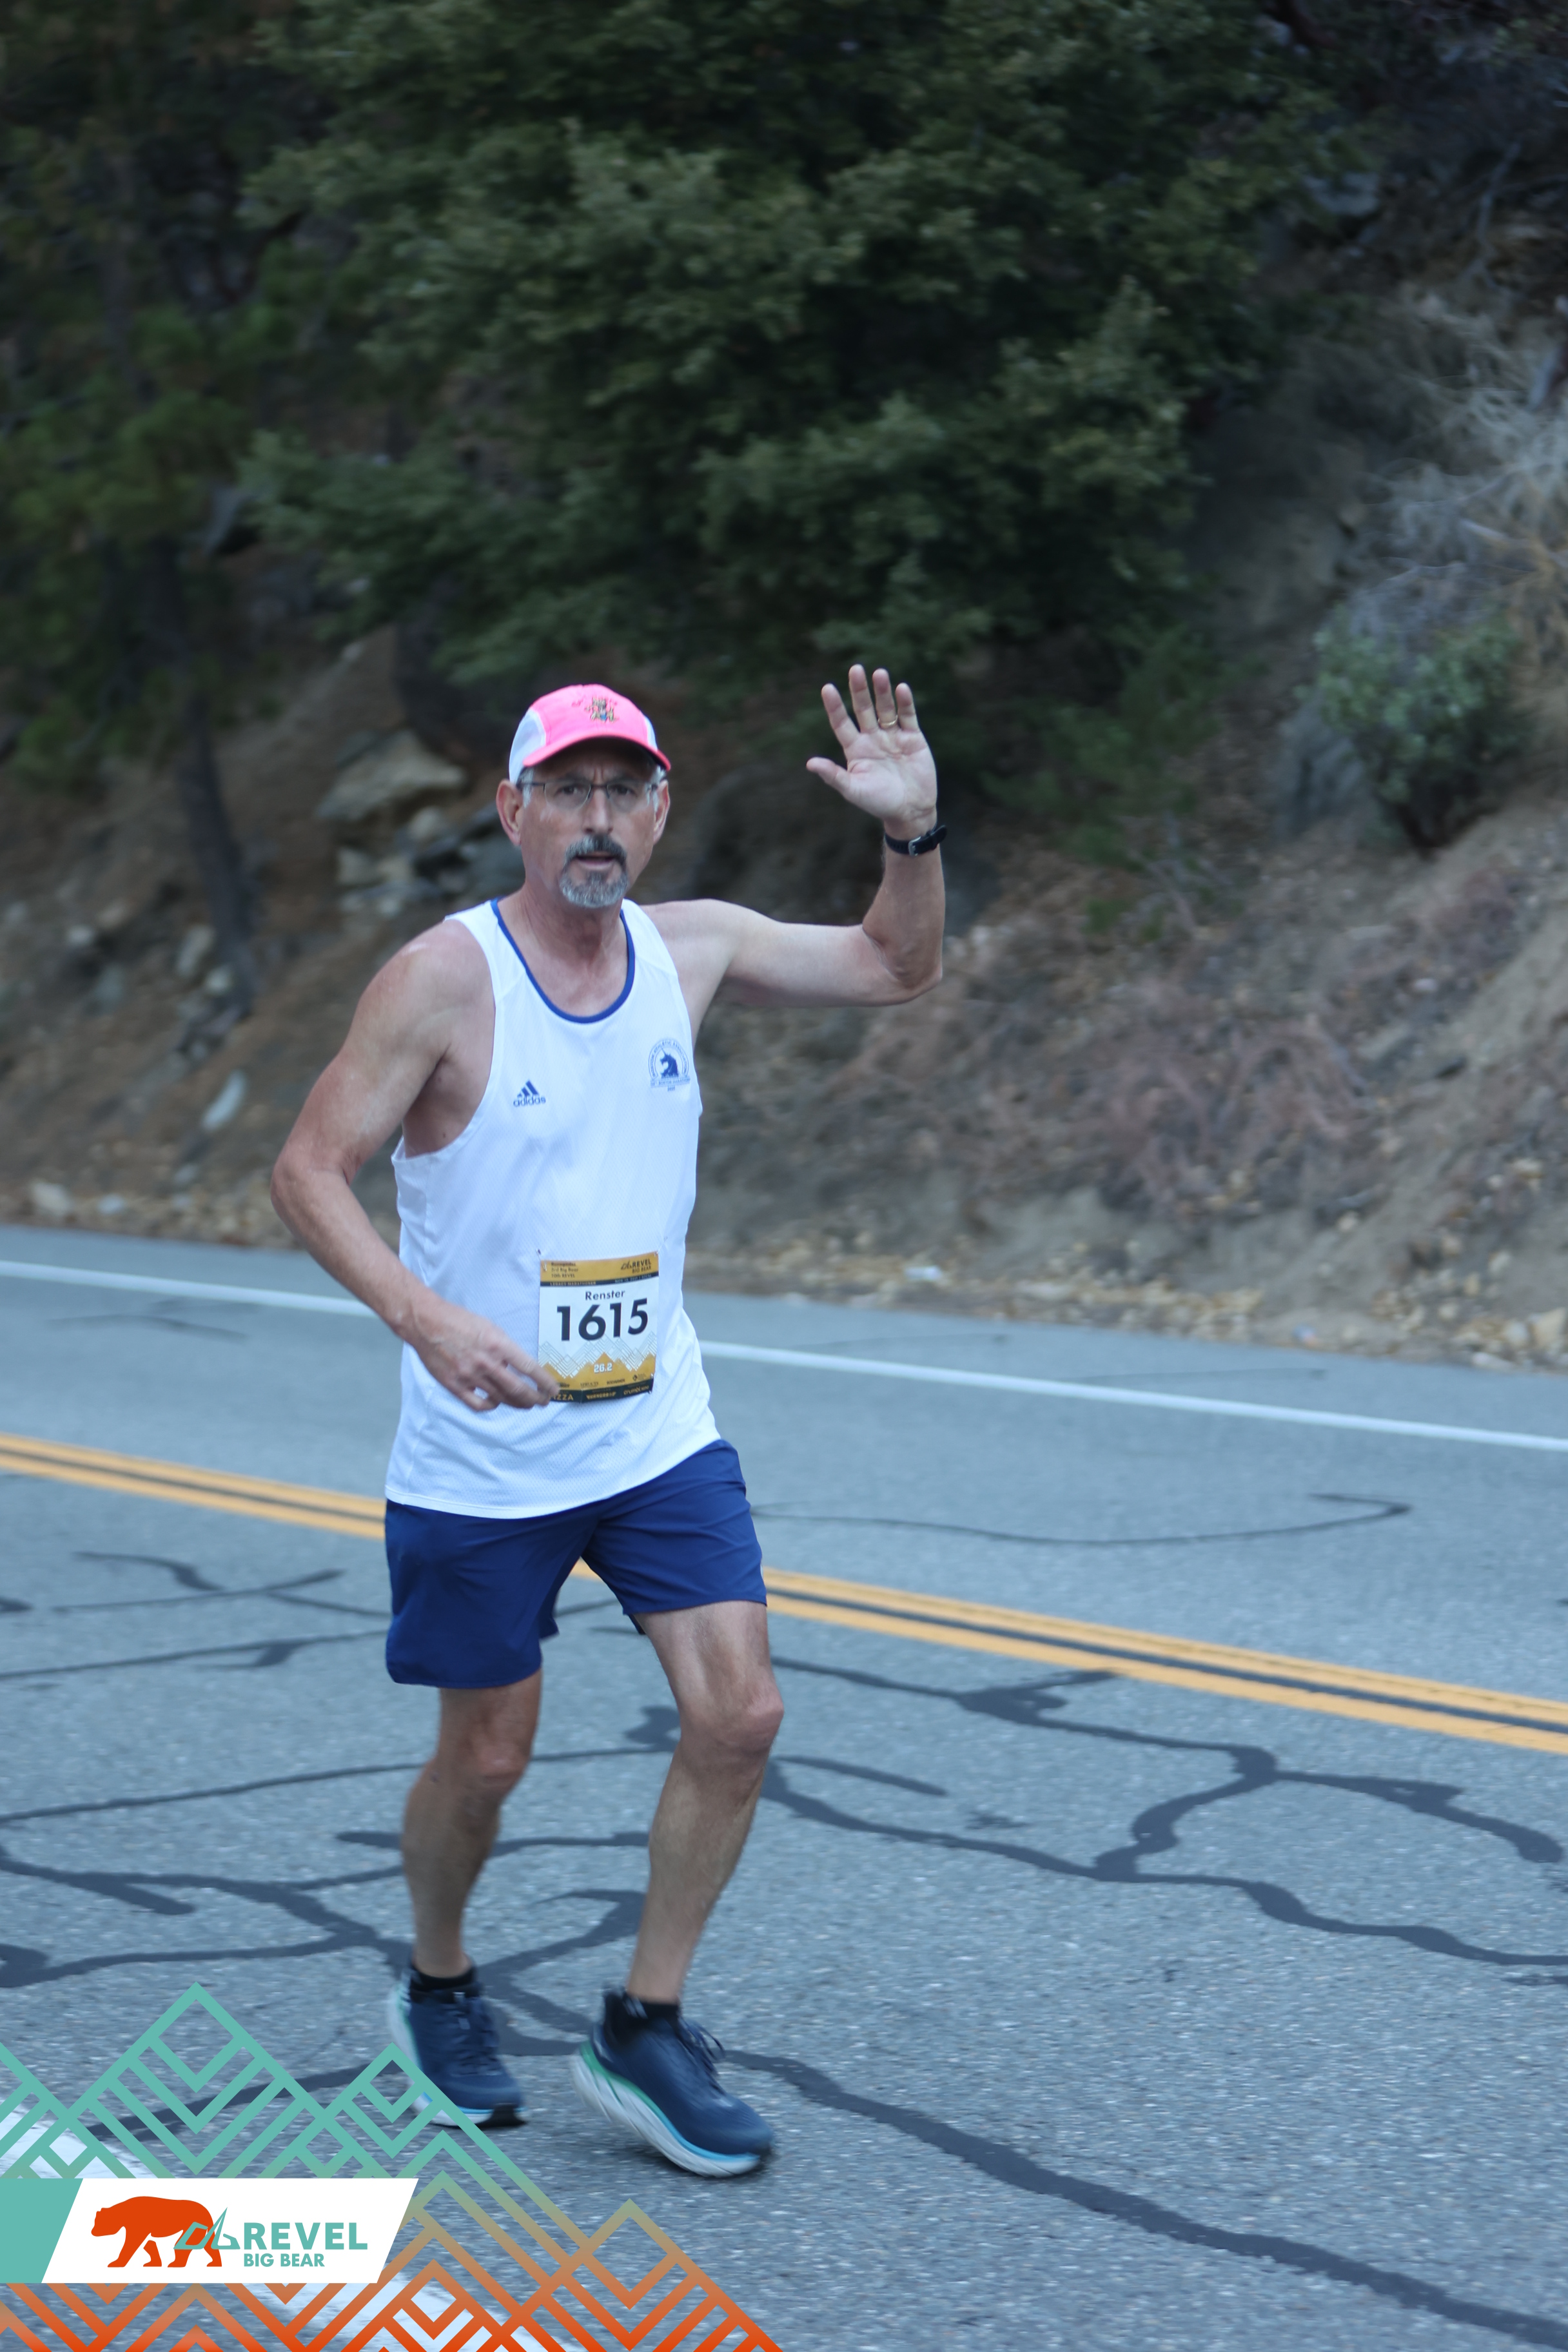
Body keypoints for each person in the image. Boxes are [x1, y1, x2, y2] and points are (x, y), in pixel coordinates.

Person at [271, 665, 943, 2174]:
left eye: (622, 791)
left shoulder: (691, 948)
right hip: (482, 1452)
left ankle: (645, 2025)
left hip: (652, 1435)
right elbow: (307, 1171)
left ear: (656, 812)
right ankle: (437, 1981)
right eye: (566, 790)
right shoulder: (441, 980)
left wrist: (910, 837)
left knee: (741, 1715)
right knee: (486, 1762)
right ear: (510, 809)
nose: (596, 818)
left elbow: (894, 969)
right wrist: (426, 1319)